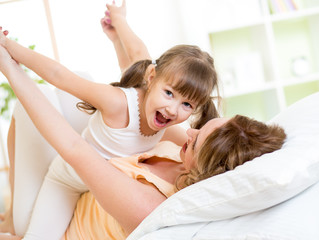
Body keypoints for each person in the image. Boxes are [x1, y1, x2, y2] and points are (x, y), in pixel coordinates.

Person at [0, 42, 287, 240]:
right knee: (76, 86)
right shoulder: (170, 137)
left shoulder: (154, 204)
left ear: (207, 167)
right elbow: (141, 63)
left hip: (70, 189)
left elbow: (74, 148)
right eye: (200, 126)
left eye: (196, 139)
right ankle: (12, 213)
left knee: (32, 106)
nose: (188, 130)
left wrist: (10, 68)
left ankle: (15, 220)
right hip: (71, 176)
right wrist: (118, 31)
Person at [0, 1, 221, 239]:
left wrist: (119, 24)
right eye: (169, 93)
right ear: (151, 77)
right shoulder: (118, 103)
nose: (172, 110)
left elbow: (137, 53)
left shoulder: (170, 126)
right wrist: (9, 48)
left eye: (187, 105)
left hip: (99, 183)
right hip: (68, 179)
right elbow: (59, 75)